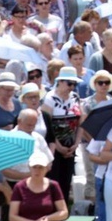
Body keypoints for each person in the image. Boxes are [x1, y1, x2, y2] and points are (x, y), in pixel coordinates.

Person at [41, 67, 82, 203]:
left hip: (71, 145)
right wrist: (59, 147)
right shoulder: (50, 98)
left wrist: (76, 143)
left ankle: (63, 215)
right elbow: (48, 125)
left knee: (66, 181)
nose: (71, 87)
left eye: (74, 84)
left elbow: (80, 121)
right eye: (69, 83)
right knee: (54, 180)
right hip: (55, 146)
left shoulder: (75, 97)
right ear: (60, 82)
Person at [9, 152, 68, 221]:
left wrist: (47, 218)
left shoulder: (53, 186)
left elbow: (64, 212)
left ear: (47, 168)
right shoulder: (19, 187)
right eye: (34, 167)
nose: (37, 170)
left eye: (41, 167)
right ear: (29, 168)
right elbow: (12, 217)